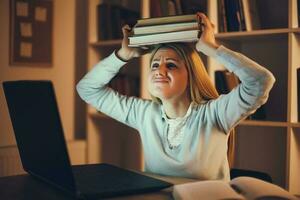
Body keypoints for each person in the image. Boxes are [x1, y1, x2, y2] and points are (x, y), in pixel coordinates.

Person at [77, 13, 275, 181]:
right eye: (155, 65)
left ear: (191, 75)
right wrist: (122, 55)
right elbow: (87, 89)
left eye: (170, 65)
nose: (159, 70)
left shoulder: (215, 114)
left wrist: (210, 48)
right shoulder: (143, 114)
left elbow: (261, 81)